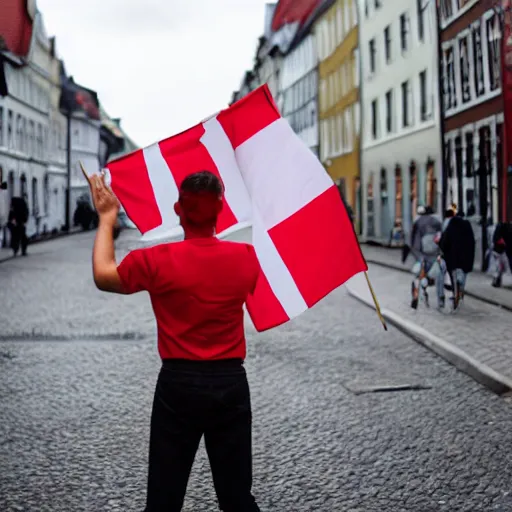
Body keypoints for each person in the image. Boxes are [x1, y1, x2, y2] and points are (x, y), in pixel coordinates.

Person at [87, 169, 261, 512]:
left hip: (177, 385)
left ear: (178, 210)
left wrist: (107, 218)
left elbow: (103, 275)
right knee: (237, 498)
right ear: (221, 211)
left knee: (164, 500)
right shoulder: (246, 258)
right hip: (230, 383)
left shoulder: (156, 261)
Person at [438, 210, 475, 310]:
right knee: (463, 275)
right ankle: (461, 291)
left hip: (453, 258)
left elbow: (444, 241)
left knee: (453, 277)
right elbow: (472, 242)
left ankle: (456, 294)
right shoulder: (467, 226)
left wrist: (443, 251)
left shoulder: (451, 226)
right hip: (466, 258)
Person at [409, 205, 443, 309]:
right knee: (435, 273)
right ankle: (437, 295)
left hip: (420, 251)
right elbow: (441, 235)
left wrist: (413, 250)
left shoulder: (417, 221)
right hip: (433, 252)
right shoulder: (436, 221)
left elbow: (412, 237)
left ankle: (416, 293)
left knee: (419, 274)